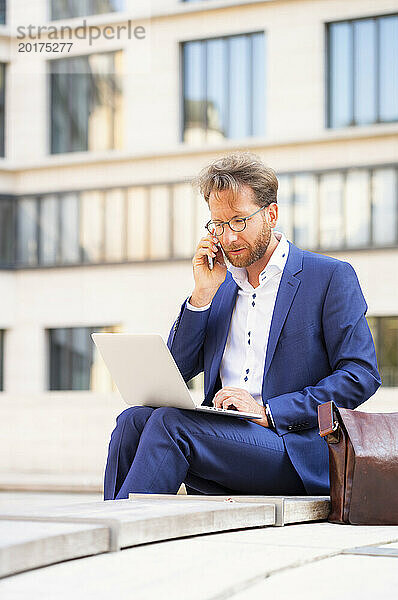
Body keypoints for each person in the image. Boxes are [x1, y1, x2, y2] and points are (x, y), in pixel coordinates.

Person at [103, 152, 381, 500]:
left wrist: (268, 412)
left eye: (238, 221)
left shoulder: (328, 277)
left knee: (170, 425)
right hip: (224, 438)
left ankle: (119, 535)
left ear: (271, 214)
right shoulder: (219, 284)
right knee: (132, 421)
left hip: (291, 446)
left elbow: (360, 375)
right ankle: (108, 534)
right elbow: (177, 371)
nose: (228, 237)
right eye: (217, 224)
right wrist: (202, 295)